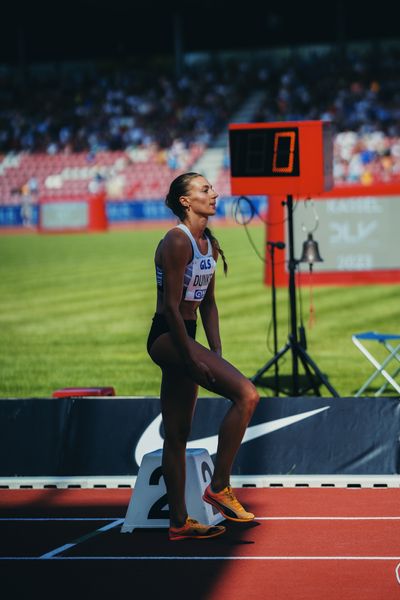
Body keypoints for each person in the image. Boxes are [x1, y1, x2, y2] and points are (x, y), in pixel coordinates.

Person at [147, 172, 260, 541]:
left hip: (187, 334)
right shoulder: (177, 241)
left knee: (178, 433)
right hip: (168, 334)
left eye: (212, 188)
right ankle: (220, 486)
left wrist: (216, 351)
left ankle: (179, 523)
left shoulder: (207, 242)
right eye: (205, 189)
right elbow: (170, 307)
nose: (215, 194)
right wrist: (191, 357)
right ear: (184, 200)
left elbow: (208, 304)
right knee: (247, 395)